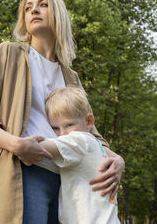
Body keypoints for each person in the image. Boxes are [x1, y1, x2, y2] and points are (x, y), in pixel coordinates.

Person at [0, 0, 125, 224]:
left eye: (43, 5)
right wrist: (17, 145)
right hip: (20, 171)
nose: (34, 11)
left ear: (58, 14)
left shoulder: (71, 78)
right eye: (28, 8)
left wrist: (119, 161)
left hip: (66, 182)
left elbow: (91, 133)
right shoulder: (7, 55)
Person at [40, 86, 121, 224]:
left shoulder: (80, 140)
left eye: (69, 125)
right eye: (55, 128)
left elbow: (39, 148)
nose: (62, 133)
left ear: (89, 121)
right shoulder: (96, 144)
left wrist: (15, 143)